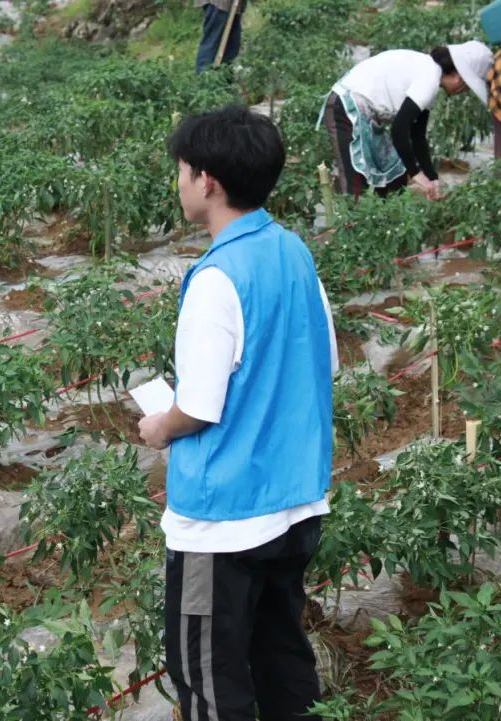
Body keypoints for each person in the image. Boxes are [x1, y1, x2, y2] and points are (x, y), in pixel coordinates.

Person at [139, 105, 339, 721]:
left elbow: (198, 408)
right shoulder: (293, 251)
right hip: (296, 504)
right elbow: (326, 360)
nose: (178, 181)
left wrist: (159, 425)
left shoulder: (216, 278)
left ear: (208, 182)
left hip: (222, 524)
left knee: (209, 677)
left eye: (181, 170)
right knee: (281, 657)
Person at [321, 41, 493, 198]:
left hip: (364, 114)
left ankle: (385, 215)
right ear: (458, 77)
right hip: (346, 108)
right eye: (466, 86)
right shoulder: (429, 78)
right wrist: (416, 174)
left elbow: (417, 136)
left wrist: (432, 177)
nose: (463, 91)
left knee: (394, 172)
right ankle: (355, 220)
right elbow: (399, 129)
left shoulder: (429, 73)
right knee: (356, 182)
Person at [195, 0, 244, 75]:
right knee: (213, 39)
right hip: (219, 3)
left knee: (232, 43)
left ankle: (226, 76)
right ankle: (204, 76)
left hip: (233, 5)